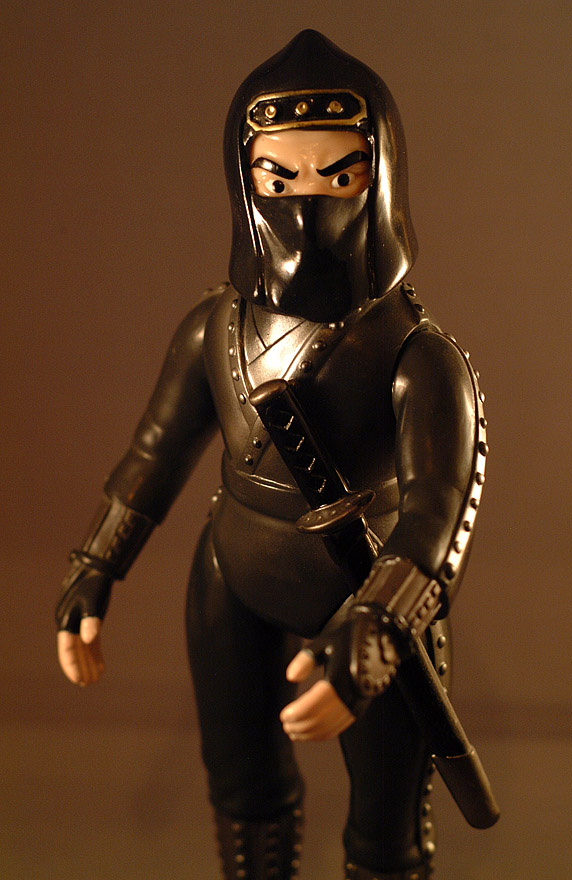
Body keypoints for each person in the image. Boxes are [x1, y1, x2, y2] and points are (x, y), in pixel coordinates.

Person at [56, 30, 488, 880]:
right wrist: (95, 566)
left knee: (386, 832)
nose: (308, 201)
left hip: (368, 590)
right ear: (244, 179)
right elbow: (153, 454)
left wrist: (376, 631)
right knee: (243, 792)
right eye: (279, 178)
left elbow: (438, 515)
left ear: (380, 178)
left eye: (339, 175)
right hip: (234, 575)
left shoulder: (420, 357)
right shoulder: (214, 328)